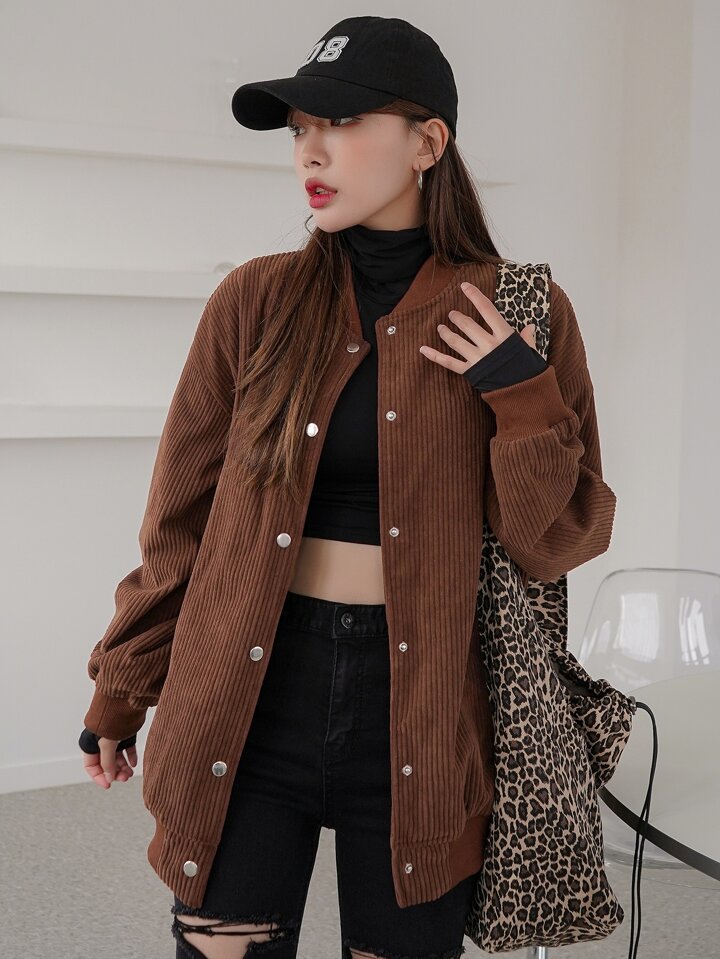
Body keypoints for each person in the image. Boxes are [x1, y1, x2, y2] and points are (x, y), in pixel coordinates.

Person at [79, 15, 615, 959]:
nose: (311, 151)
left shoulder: (519, 311)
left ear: (428, 143)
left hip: (425, 708)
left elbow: (556, 541)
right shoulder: (253, 302)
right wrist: (122, 687)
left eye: (343, 122)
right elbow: (180, 526)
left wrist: (520, 393)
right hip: (250, 692)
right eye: (299, 129)